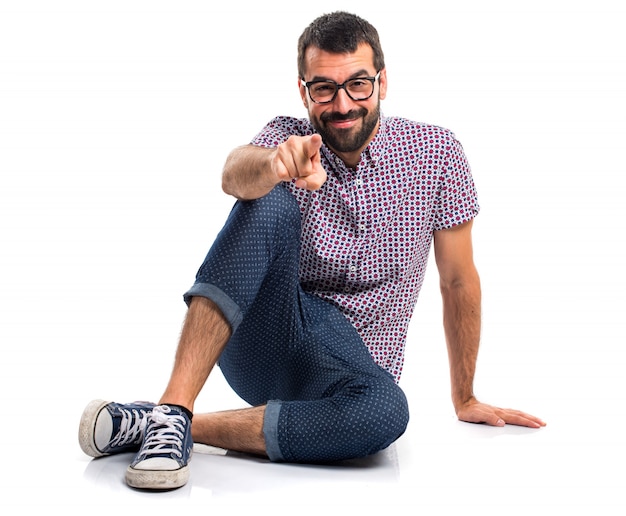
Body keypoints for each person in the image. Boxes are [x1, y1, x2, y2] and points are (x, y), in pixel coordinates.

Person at [78, 11, 545, 491]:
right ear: (304, 92)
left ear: (382, 83)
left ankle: (170, 426)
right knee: (267, 198)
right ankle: (174, 405)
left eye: (358, 84)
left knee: (387, 413)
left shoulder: (436, 152)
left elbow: (458, 279)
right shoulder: (288, 138)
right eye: (324, 88)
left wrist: (464, 396)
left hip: (351, 375)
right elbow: (233, 173)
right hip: (274, 339)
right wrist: (276, 165)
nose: (343, 104)